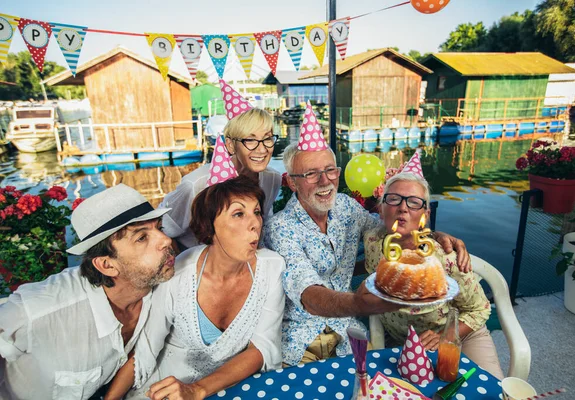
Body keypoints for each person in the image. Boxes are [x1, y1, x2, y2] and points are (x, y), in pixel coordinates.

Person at [263, 104, 470, 367]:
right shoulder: (279, 228)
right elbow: (310, 296)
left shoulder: (346, 207)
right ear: (292, 182)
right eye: (311, 174)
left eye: (330, 170)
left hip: (348, 332)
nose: (325, 181)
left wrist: (434, 234)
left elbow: (389, 226)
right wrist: (361, 304)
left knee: (375, 388)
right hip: (301, 339)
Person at [106, 173, 285, 400]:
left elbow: (262, 347)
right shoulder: (178, 271)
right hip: (162, 391)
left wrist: (198, 389)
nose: (255, 224)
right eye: (239, 214)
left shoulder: (272, 267)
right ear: (210, 226)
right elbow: (145, 350)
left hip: (230, 389)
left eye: (257, 212)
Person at [0, 184, 175, 399]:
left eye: (160, 228)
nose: (166, 240)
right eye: (141, 237)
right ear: (107, 265)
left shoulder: (159, 288)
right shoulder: (40, 310)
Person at [363, 170, 504, 379]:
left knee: (487, 390)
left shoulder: (445, 258)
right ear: (381, 209)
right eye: (393, 199)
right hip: (401, 340)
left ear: (425, 215)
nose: (403, 207)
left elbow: (479, 309)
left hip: (459, 335)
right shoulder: (372, 242)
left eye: (414, 202)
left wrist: (443, 336)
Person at [160, 80, 281, 250]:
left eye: (267, 138)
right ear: (231, 145)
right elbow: (162, 231)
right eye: (250, 140)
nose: (262, 149)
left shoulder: (272, 179)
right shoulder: (195, 185)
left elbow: (262, 222)